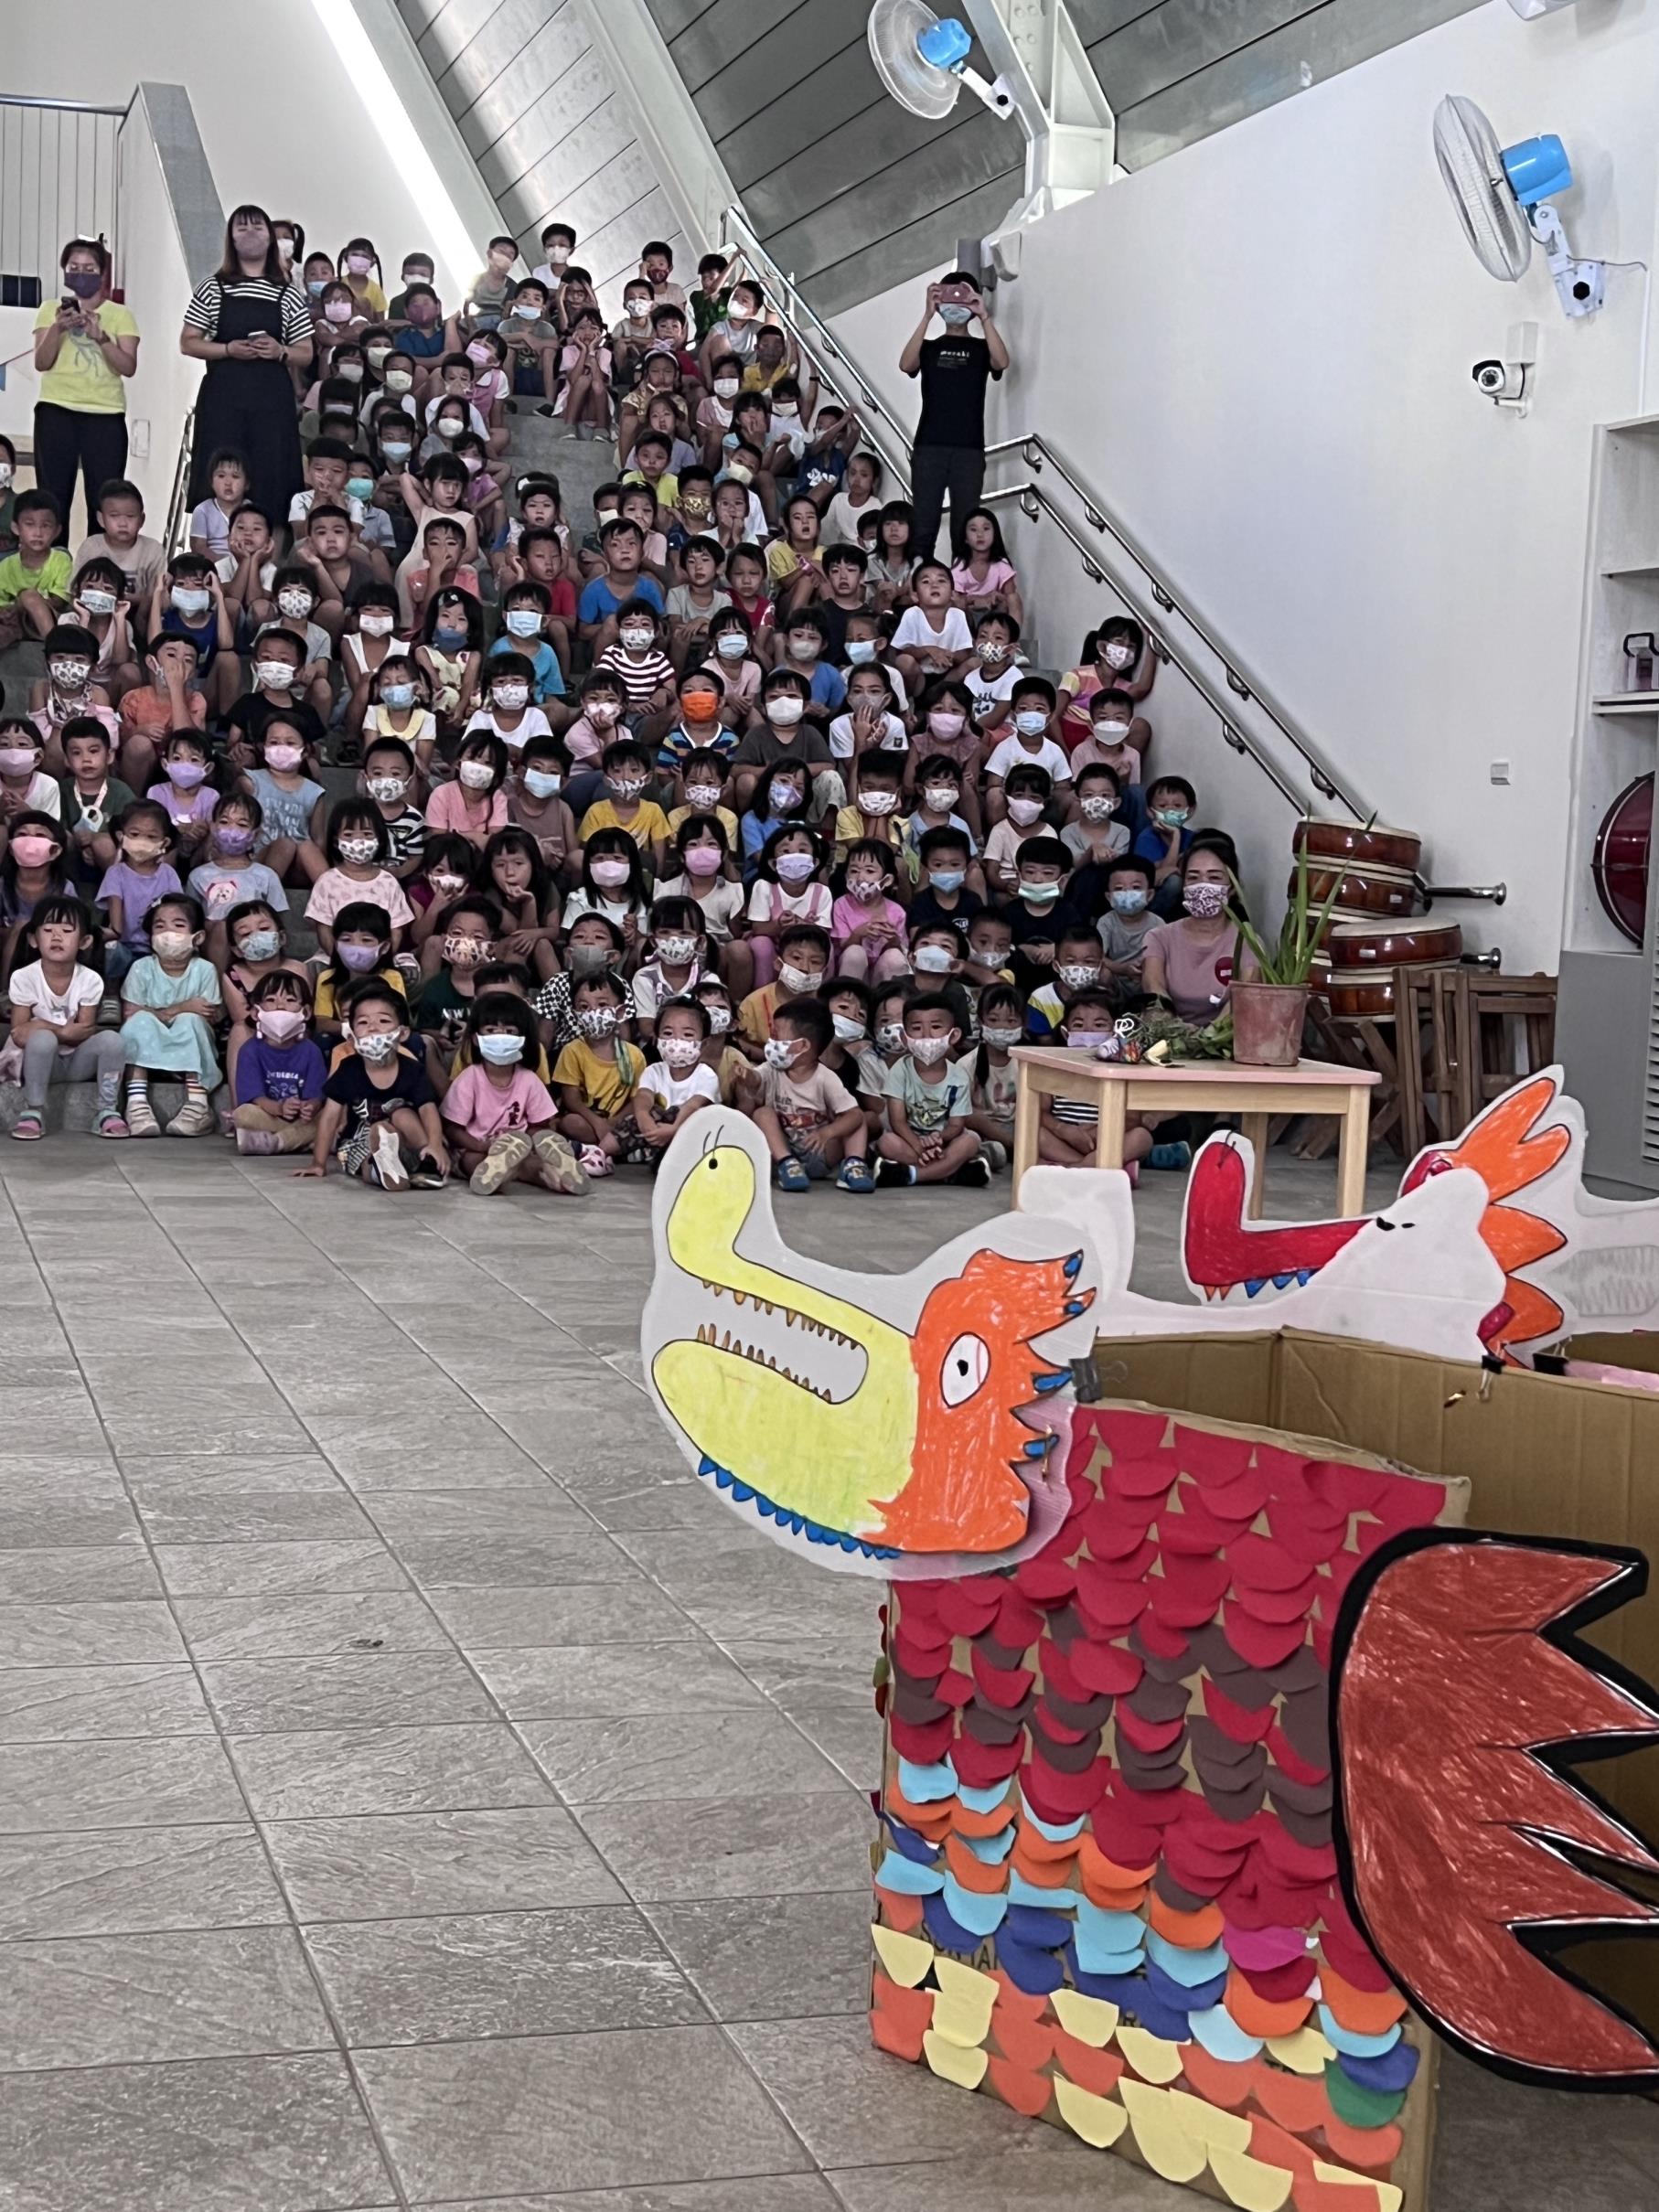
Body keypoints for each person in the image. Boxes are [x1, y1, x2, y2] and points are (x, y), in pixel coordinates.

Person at [181, 207, 313, 515]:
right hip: (223, 398)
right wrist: (228, 349)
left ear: (270, 238)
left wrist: (280, 351)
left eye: (258, 227)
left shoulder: (288, 293)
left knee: (273, 476)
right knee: (220, 469)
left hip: (272, 401)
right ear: (231, 239)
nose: (250, 233)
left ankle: (272, 543)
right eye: (242, 228)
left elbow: (305, 351)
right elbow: (188, 342)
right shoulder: (213, 287)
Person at [31, 240, 139, 538]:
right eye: (74, 267)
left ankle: (98, 562)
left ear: (102, 273)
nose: (81, 273)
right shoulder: (50, 309)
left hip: (105, 413)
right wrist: (58, 328)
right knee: (53, 497)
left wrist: (100, 337)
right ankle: (55, 559)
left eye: (89, 268)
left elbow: (128, 366)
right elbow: (41, 362)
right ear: (65, 271)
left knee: (104, 499)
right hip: (56, 408)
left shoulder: (120, 314)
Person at [296, 978, 449, 1190]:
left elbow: (428, 1110)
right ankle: (382, 1171)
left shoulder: (412, 1069)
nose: (373, 1028)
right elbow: (329, 1118)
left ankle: (428, 1162)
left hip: (406, 1143)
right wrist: (318, 1164)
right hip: (358, 1142)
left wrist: (435, 1144)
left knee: (402, 1114)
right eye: (363, 1023)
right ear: (352, 1038)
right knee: (367, 1157)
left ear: (403, 1033)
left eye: (383, 1021)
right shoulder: (348, 1069)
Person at [898, 272, 1008, 560]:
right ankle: (920, 579)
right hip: (929, 447)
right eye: (950, 296)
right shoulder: (930, 347)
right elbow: (906, 364)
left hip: (969, 449)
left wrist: (984, 316)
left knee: (966, 527)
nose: (956, 303)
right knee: (923, 524)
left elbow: (1001, 362)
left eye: (963, 297)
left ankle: (961, 581)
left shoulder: (981, 348)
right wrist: (927, 315)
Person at [7, 895, 128, 1141]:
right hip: (41, 1063)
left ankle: (107, 1110)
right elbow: (19, 1034)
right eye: (48, 930)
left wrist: (40, 1025)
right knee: (42, 1039)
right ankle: (33, 1111)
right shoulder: (23, 977)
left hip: (77, 1062)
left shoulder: (90, 979)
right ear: (33, 939)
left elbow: (84, 1031)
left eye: (66, 930)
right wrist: (59, 1031)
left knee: (112, 1040)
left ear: (84, 941)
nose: (56, 937)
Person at [442, 991, 586, 1194]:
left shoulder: (529, 1080)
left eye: (509, 1031)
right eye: (491, 1030)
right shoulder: (469, 1078)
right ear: (475, 1039)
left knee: (531, 1164)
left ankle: (557, 1177)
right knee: (472, 1161)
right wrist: (483, 1147)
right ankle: (499, 1172)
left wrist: (534, 1141)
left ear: (522, 1039)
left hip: (519, 1150)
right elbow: (452, 1129)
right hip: (475, 1147)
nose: (500, 1037)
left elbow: (539, 1125)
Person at [118, 893, 222, 1137]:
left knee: (191, 1020)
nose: (168, 932)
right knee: (140, 1023)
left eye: (178, 925)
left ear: (197, 937)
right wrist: (180, 1007)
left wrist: (164, 1013)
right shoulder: (141, 968)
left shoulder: (204, 970)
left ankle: (198, 1105)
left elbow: (208, 1016)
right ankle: (136, 1104)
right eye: (160, 926)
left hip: (190, 1043)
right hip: (149, 1041)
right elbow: (131, 1013)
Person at [751, 995, 872, 1193]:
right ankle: (787, 1164)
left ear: (803, 1046)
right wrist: (745, 1076)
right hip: (786, 1148)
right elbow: (755, 1079)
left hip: (820, 1150)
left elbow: (854, 1116)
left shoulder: (826, 1078)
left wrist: (828, 1132)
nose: (772, 1041)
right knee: (762, 1113)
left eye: (778, 1036)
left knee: (856, 1118)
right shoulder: (771, 1069)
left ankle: (854, 1165)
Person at [876, 990, 989, 1188]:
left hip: (943, 1144)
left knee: (971, 1140)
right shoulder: (900, 1070)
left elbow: (956, 1125)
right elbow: (898, 1121)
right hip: (909, 1141)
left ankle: (911, 1175)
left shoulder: (959, 1076)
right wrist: (919, 1147)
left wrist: (939, 1139)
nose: (926, 1035)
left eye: (936, 1027)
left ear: (953, 1035)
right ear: (904, 1037)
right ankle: (950, 1172)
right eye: (916, 1028)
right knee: (887, 1142)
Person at [1142, 843, 1257, 1025]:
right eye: (1193, 877)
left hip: (1225, 1038)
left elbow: (1244, 996)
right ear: (1183, 884)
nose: (1203, 885)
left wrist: (1210, 1035)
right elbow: (1153, 987)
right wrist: (1178, 1030)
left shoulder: (1247, 941)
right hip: (1170, 1035)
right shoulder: (1158, 937)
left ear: (1232, 887)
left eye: (1214, 877)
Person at [230, 970, 328, 1155]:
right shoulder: (250, 1050)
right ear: (255, 1012)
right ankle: (301, 1140)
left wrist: (310, 1107)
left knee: (328, 1117)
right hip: (269, 1116)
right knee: (242, 1114)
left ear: (306, 1012)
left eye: (290, 1000)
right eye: (271, 1000)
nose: (280, 1006)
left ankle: (277, 1142)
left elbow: (315, 1098)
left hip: (301, 1119)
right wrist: (280, 1108)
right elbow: (256, 1098)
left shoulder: (312, 1051)